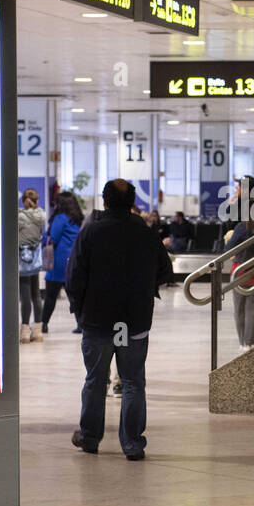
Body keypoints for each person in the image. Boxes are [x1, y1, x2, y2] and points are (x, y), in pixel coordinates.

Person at [65, 179, 172, 460]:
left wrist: (80, 309)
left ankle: (90, 438)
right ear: (132, 202)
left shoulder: (91, 233)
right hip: (133, 321)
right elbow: (165, 270)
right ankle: (133, 444)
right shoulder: (146, 234)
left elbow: (74, 276)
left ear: (105, 201)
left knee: (96, 380)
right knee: (133, 381)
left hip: (98, 321)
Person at [223, 175, 254, 350]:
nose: (236, 190)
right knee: (253, 306)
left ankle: (243, 341)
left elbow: (230, 243)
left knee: (239, 308)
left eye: (238, 187)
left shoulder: (242, 224)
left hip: (240, 266)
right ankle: (250, 339)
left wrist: (233, 202)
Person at [40, 191, 83, 335]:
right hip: (74, 260)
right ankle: (81, 324)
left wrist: (43, 237)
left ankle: (43, 324)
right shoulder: (77, 219)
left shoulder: (60, 218)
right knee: (74, 296)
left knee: (51, 295)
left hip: (58, 261)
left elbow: (54, 239)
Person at [17, 188, 46, 343]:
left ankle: (25, 331)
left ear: (23, 201)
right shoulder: (40, 216)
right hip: (35, 259)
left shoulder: (20, 217)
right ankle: (38, 331)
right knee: (37, 295)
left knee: (25, 295)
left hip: (22, 259)